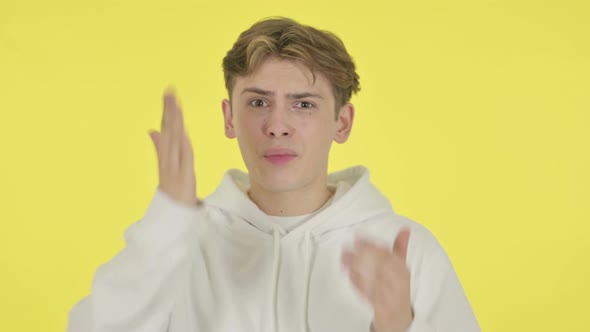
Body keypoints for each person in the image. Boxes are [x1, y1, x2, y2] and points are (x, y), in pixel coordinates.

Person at [67, 17, 480, 332]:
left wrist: (396, 328)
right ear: (229, 118)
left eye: (303, 104)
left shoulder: (405, 253)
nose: (277, 125)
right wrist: (168, 221)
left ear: (343, 122)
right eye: (259, 103)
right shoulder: (177, 243)